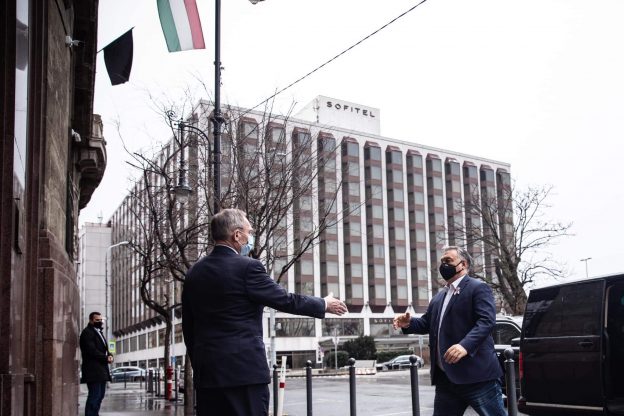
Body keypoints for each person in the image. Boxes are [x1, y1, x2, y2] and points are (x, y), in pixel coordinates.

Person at [182, 208, 348, 416]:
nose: (250, 237)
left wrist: (201, 363)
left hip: (208, 376)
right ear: (237, 235)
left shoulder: (193, 273)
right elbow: (285, 300)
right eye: (249, 232)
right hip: (244, 375)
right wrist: (323, 304)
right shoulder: (248, 268)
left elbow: (189, 327)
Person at [393, 246, 506, 416]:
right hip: (446, 379)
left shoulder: (478, 288)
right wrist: (408, 323)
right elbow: (426, 323)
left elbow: (486, 321)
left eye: (448, 261)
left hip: (478, 377)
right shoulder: (439, 297)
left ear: (463, 264)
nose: (444, 265)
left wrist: (465, 346)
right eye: (442, 261)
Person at [79, 311, 113, 416]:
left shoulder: (99, 332)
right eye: (97, 320)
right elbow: (92, 350)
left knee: (100, 396)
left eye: (100, 320)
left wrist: (110, 355)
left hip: (101, 370)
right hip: (93, 371)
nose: (100, 321)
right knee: (94, 397)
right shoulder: (87, 333)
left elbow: (104, 349)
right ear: (91, 320)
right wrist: (106, 358)